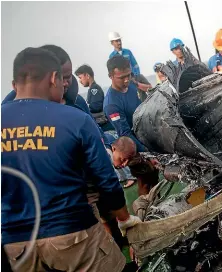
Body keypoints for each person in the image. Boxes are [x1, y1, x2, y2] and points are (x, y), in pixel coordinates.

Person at [1, 47, 140, 271]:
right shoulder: (75, 119)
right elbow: (106, 179)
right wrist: (124, 218)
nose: (66, 85)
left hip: (15, 245)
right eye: (64, 80)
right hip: (72, 233)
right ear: (54, 78)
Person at [104, 55, 146, 153]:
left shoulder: (131, 84)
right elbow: (125, 134)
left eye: (129, 75)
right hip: (138, 145)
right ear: (111, 76)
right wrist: (146, 151)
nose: (127, 79)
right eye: (122, 77)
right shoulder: (111, 105)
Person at [75, 64, 114, 131]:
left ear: (87, 76)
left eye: (80, 77)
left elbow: (96, 106)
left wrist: (83, 109)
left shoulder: (94, 89)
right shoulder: (93, 89)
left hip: (103, 126)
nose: (80, 81)